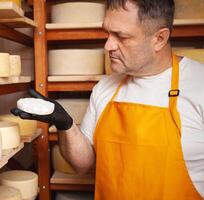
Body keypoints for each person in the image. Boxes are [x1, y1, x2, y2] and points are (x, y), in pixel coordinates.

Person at [12, 0, 204, 199]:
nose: (108, 45)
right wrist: (66, 126)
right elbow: (83, 165)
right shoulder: (105, 88)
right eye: (107, 33)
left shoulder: (200, 85)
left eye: (121, 36)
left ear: (159, 38)